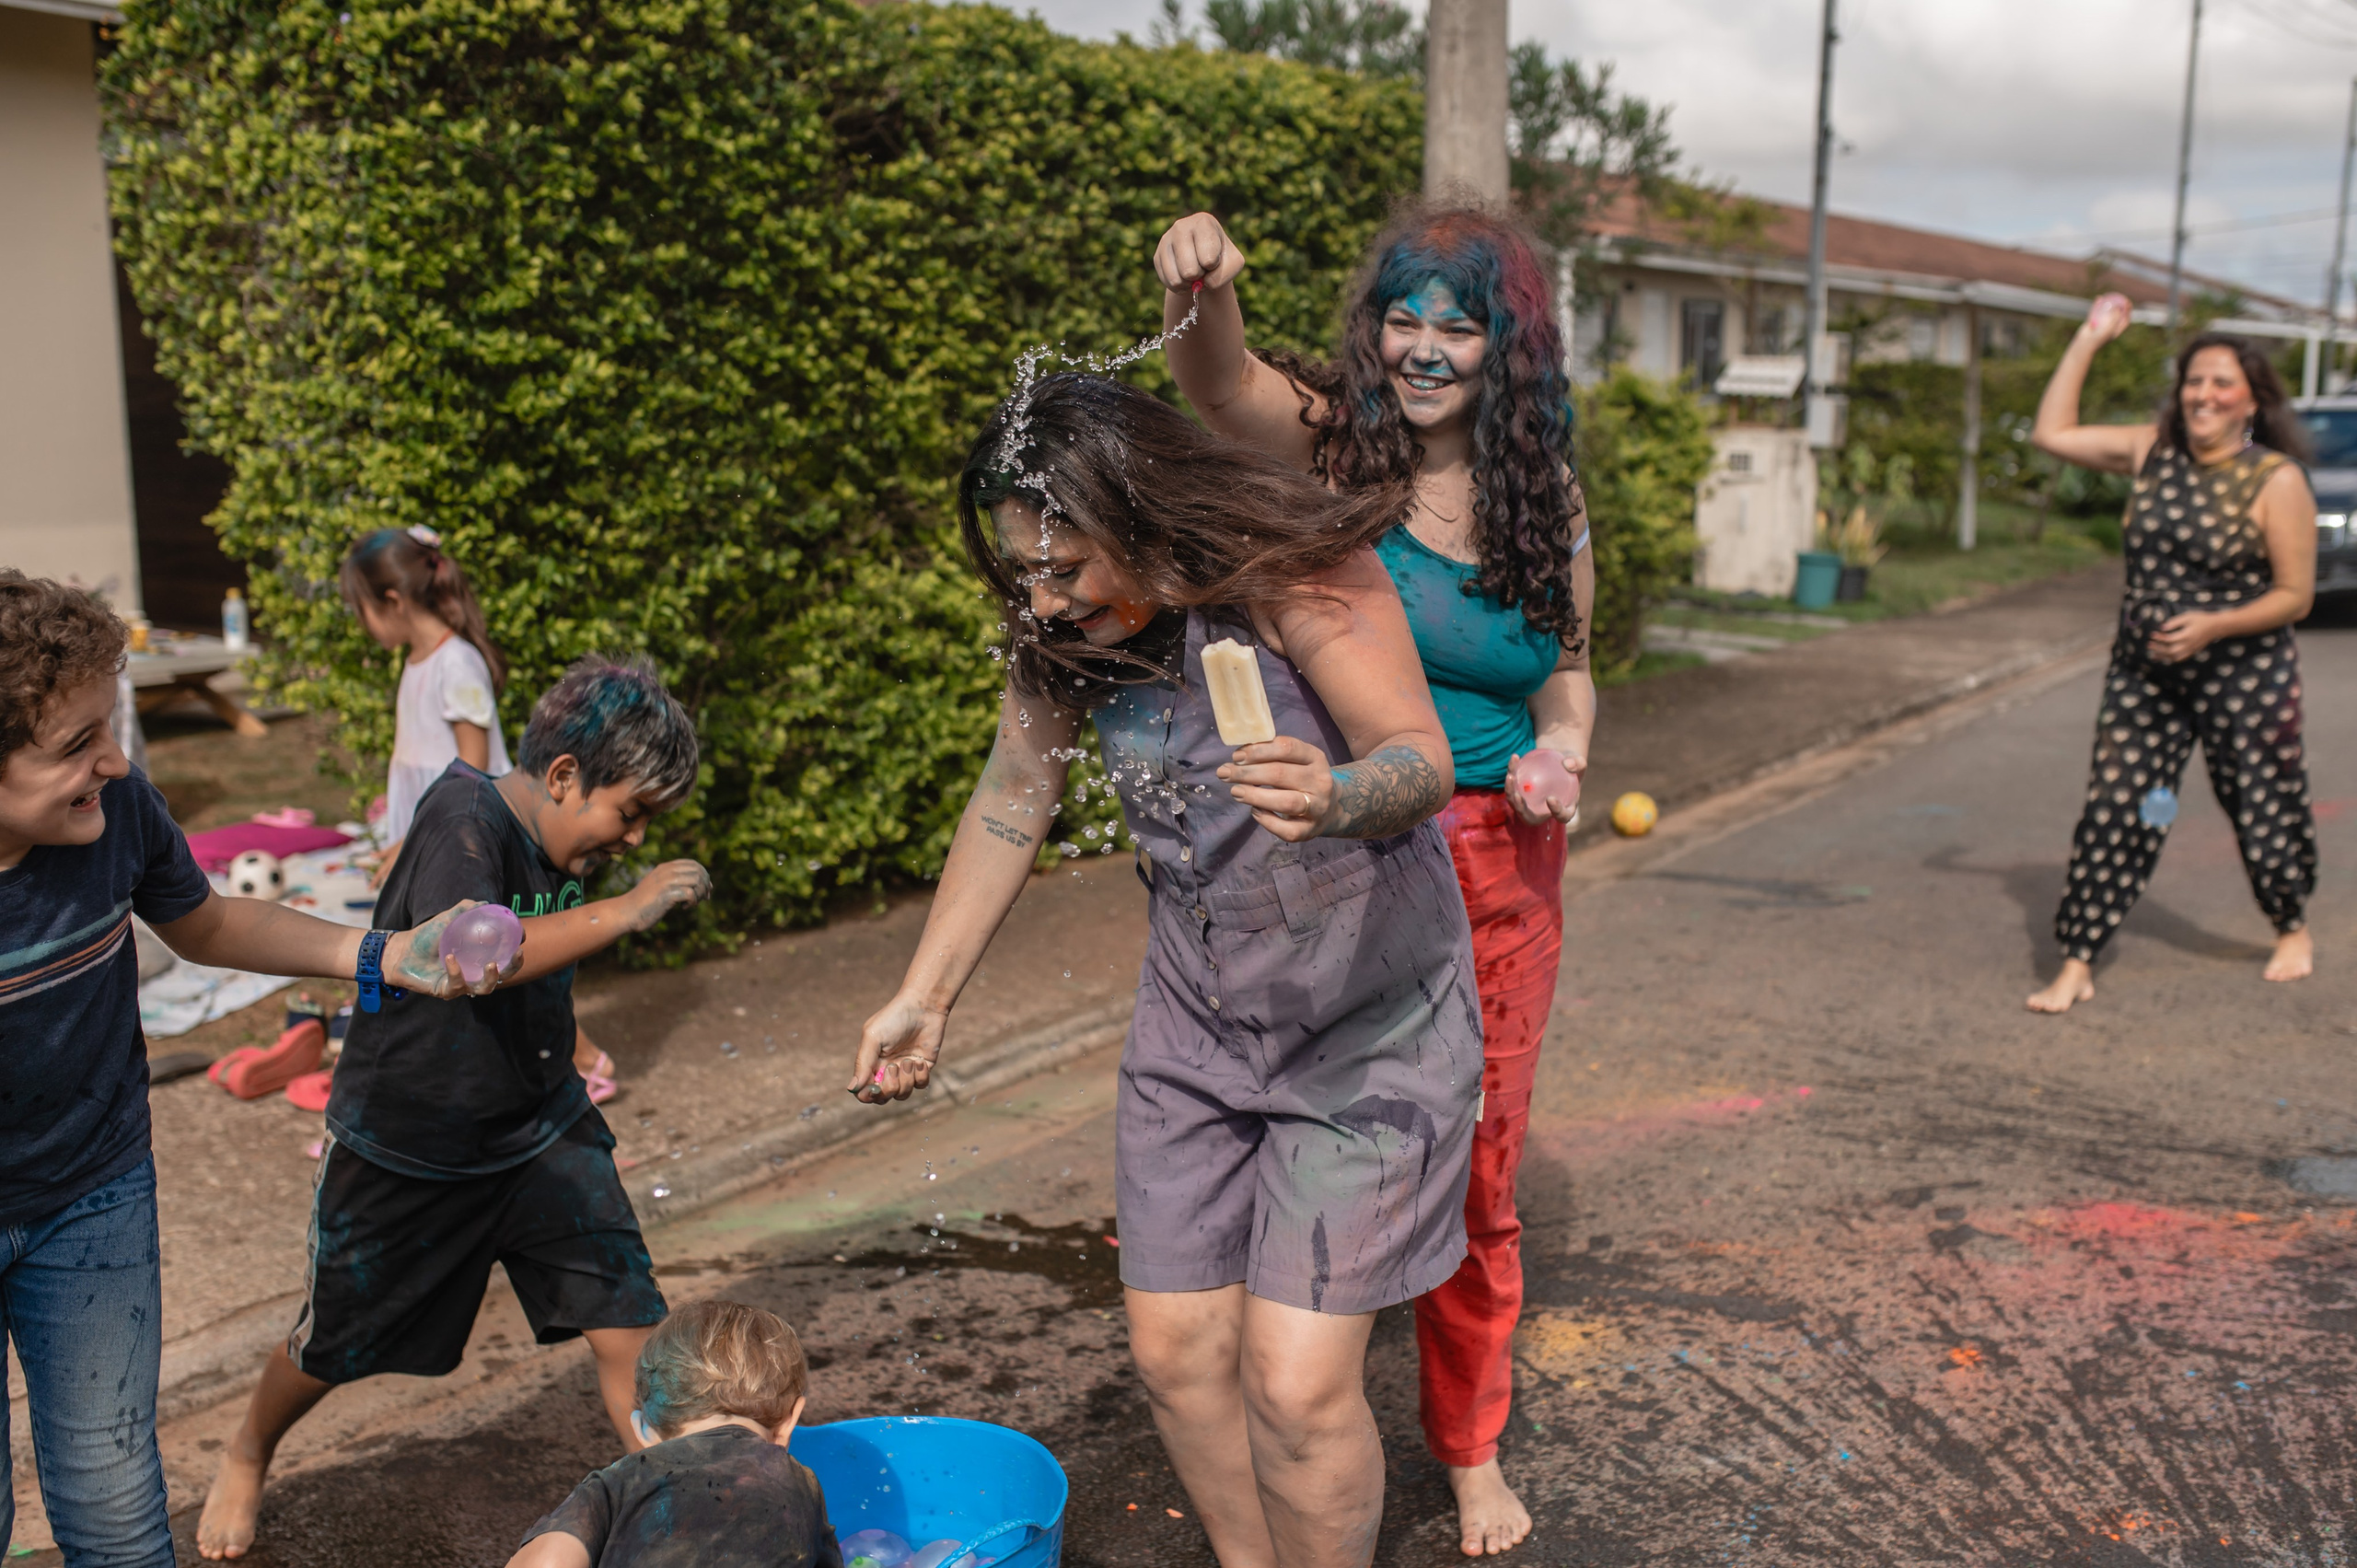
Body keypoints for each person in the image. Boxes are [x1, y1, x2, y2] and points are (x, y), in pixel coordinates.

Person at [849, 374, 1482, 1568]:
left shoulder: (1297, 573)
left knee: (1295, 1385)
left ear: (1138, 514)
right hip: (1199, 1020)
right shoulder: (1064, 639)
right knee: (1176, 1352)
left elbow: (1419, 757)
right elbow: (1012, 795)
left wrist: (1339, 792)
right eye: (1022, 573)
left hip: (1370, 1023)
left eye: (1064, 567)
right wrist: (925, 993)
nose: (1043, 598)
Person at [1154, 205, 1590, 1556]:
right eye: (1404, 318)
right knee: (1304, 1135)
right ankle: (1282, 1402)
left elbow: (1568, 672)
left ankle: (1468, 1444)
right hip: (1352, 856)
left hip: (1505, 868)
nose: (1425, 348)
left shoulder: (1544, 496)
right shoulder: (1331, 442)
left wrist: (1565, 751)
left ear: (1507, 347)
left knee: (1481, 1179)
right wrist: (1201, 282)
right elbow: (1216, 382)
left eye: (1458, 325)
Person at [0, 569, 509, 1567]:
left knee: (116, 1510)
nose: (114, 760)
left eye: (111, 727)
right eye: (75, 744)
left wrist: (386, 952)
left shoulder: (118, 812)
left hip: (93, 1191)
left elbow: (211, 922)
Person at [198, 656, 713, 1561]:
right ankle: (248, 1448)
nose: (634, 837)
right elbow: (472, 955)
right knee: (335, 1340)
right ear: (563, 775)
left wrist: (574, 1040)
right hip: (410, 1141)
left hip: (541, 1128)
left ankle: (681, 1515)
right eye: (630, 811)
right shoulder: (462, 818)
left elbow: (541, 969)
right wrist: (626, 911)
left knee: (629, 1319)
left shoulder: (560, 838)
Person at [2025, 296, 2319, 1014]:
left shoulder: (2276, 479)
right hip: (2145, 673)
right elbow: (2051, 432)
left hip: (2245, 675)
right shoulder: (2150, 451)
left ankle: (2290, 925)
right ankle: (2077, 958)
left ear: (2252, 399)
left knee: (2260, 802)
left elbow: (2295, 596)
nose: (2204, 394)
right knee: (2115, 806)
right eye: (2194, 380)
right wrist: (2089, 339)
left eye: (2222, 382)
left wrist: (2215, 625)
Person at [343, 527, 619, 1100]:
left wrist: (412, 843)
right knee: (439, 963)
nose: (361, 624)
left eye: (361, 609)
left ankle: (583, 1058)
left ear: (392, 601)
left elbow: (468, 772)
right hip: (433, 836)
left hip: (463, 842)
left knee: (492, 963)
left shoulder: (456, 662)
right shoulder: (419, 661)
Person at [507, 1299, 841, 1568]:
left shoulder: (616, 1484)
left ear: (643, 1429)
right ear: (789, 1420)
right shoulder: (800, 1483)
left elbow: (549, 1560)